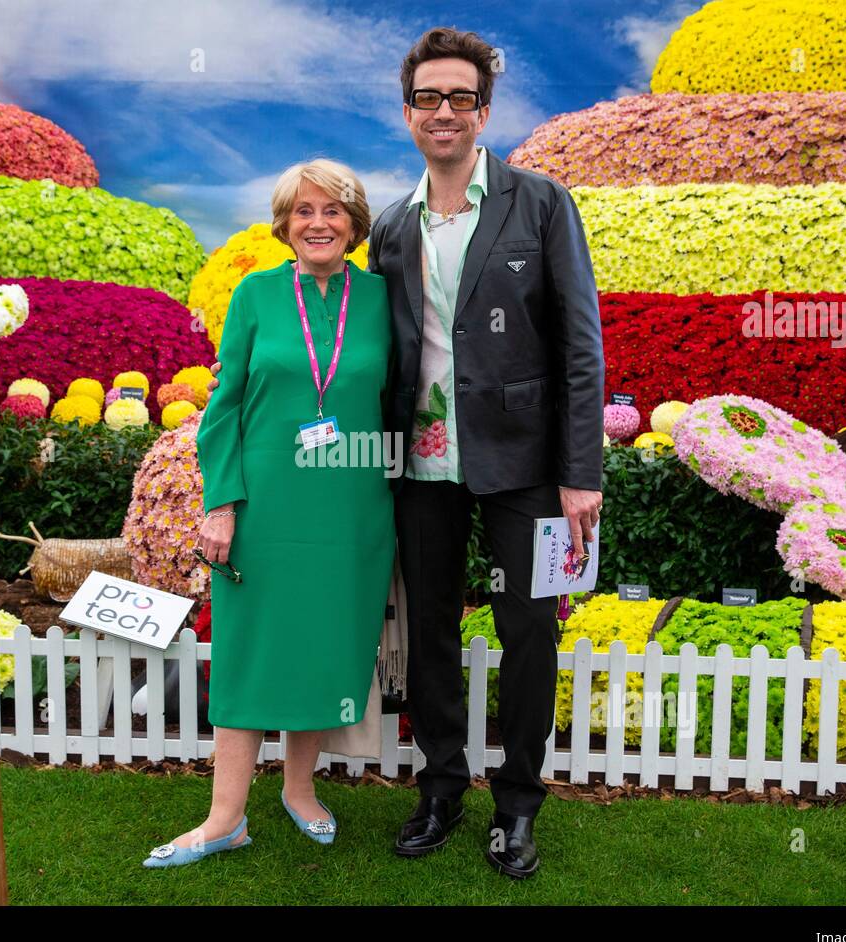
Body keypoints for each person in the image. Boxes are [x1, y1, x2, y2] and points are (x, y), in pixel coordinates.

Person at [207, 27, 605, 880]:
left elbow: (580, 347)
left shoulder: (540, 203)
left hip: (525, 469)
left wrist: (581, 473)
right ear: (408, 113)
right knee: (427, 632)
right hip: (417, 466)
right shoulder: (390, 227)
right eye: (429, 98)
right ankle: (442, 788)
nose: (445, 112)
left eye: (461, 97)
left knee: (528, 630)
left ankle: (519, 805)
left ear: (483, 109)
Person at [143, 160, 395, 868]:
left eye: (334, 210)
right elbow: (221, 412)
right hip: (263, 505)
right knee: (250, 655)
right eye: (303, 211)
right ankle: (225, 817)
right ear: (284, 224)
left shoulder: (380, 298)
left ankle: (299, 790)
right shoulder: (254, 295)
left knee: (322, 647)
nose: (318, 223)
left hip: (351, 508)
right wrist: (221, 503)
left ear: (355, 223)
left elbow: (399, 401)